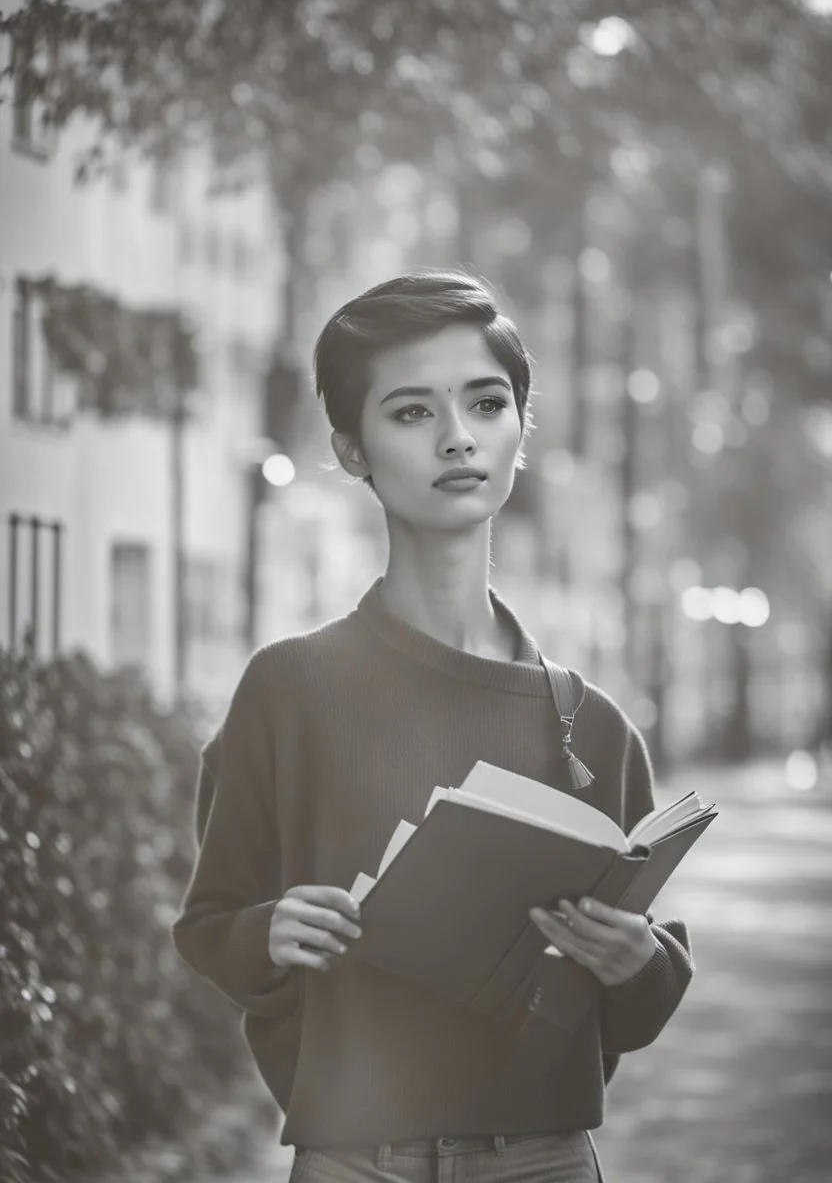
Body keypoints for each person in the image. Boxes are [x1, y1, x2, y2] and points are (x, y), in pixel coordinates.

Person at [172, 270, 694, 1182]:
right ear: (352, 446)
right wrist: (272, 931)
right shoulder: (289, 689)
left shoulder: (595, 728)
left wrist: (638, 961)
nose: (458, 437)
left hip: (548, 1160)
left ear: (518, 430)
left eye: (486, 404)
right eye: (412, 413)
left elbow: (631, 1017)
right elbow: (210, 924)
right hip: (353, 1158)